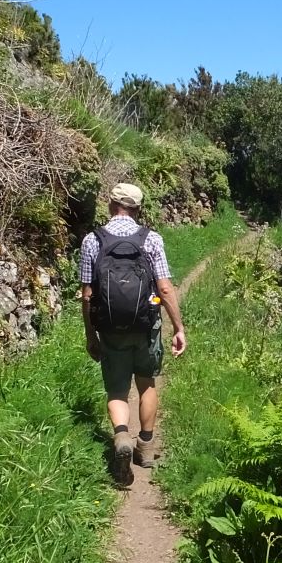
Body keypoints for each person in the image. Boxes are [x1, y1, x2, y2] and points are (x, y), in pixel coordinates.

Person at [80, 183, 187, 487]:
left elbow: (87, 296)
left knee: (116, 391)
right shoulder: (151, 239)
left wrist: (91, 335)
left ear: (110, 204)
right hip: (144, 327)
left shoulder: (92, 241)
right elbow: (164, 289)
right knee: (146, 383)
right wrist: (178, 327)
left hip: (110, 329)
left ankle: (121, 436)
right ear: (138, 208)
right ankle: (147, 447)